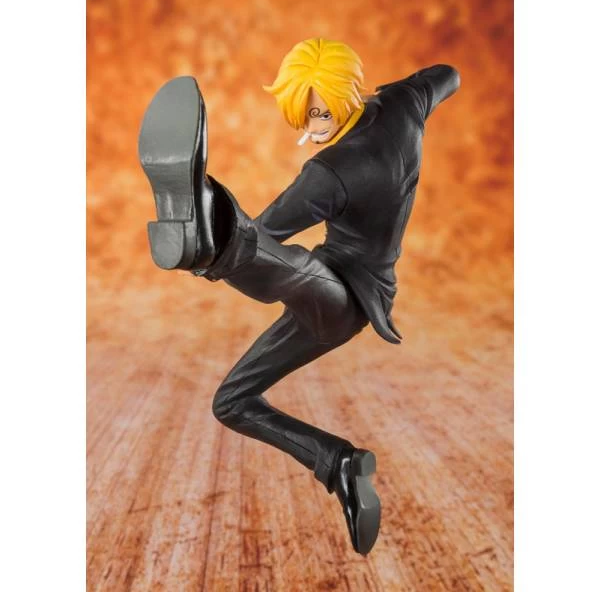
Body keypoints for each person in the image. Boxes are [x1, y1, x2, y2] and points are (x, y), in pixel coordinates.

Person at [138, 37, 460, 556]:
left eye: (319, 111)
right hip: (362, 286)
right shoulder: (406, 105)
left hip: (346, 300)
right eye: (305, 113)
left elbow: (268, 230)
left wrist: (210, 263)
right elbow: (446, 74)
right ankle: (339, 463)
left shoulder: (329, 172)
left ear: (344, 93)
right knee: (231, 403)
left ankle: (210, 235)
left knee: (295, 268)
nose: (312, 123)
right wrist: (405, 91)